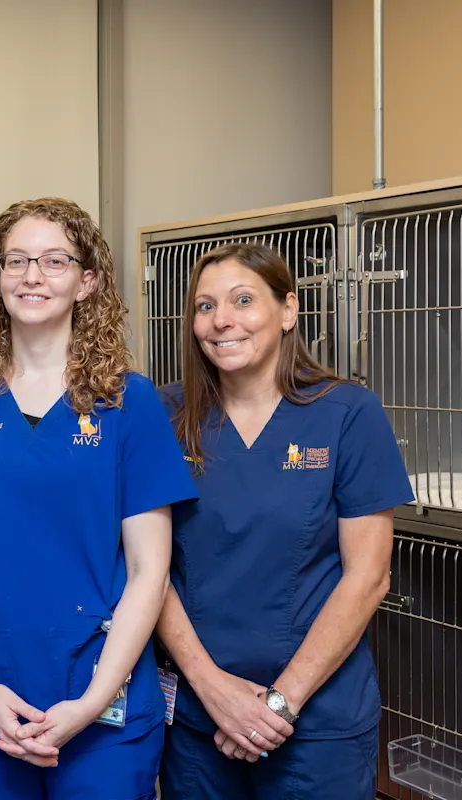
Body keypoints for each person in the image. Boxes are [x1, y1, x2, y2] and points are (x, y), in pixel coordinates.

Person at [0, 198, 198, 800]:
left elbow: (149, 570)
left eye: (55, 261)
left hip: (103, 705)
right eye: (16, 260)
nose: (32, 275)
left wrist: (89, 704)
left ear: (87, 281)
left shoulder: (128, 403)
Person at [154, 242, 414, 799]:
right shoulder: (164, 416)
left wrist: (279, 703)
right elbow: (147, 567)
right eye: (205, 306)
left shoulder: (347, 413)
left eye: (243, 300)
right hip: (200, 719)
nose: (221, 320)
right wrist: (215, 692)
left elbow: (368, 577)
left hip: (317, 723)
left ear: (289, 311)